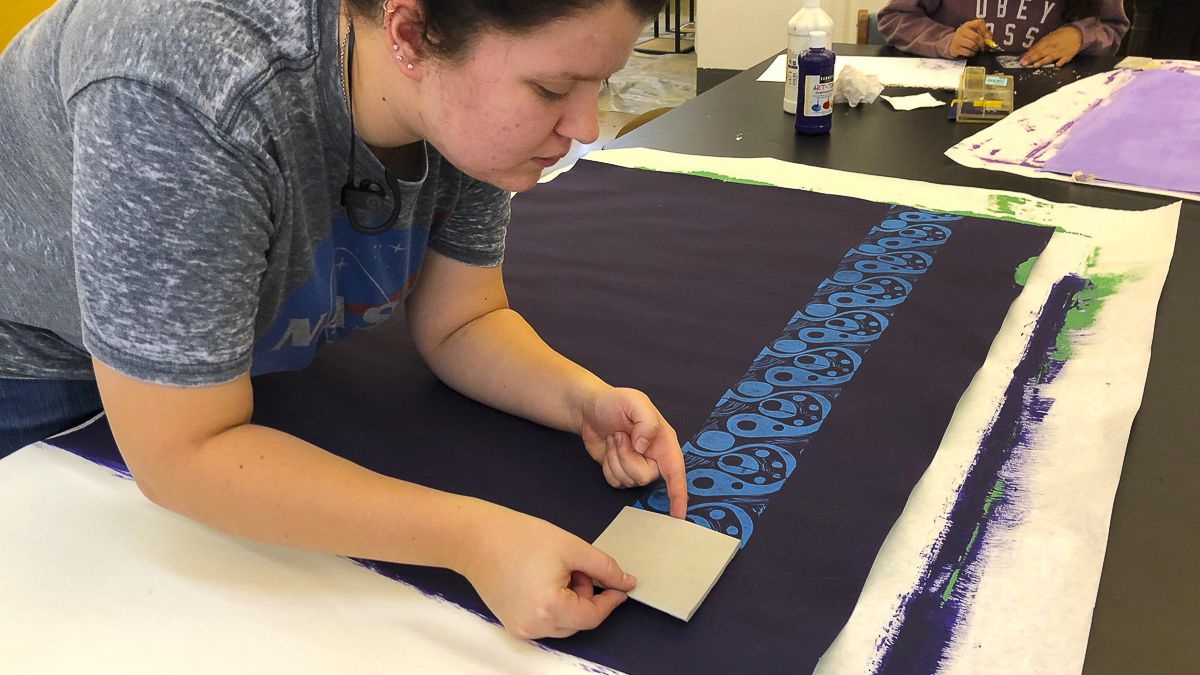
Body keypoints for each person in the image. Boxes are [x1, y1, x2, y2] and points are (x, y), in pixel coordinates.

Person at [0, 0, 689, 640]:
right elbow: (180, 452)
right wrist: (472, 539)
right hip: (39, 365)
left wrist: (579, 400)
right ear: (410, 33)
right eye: (550, 89)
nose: (586, 127)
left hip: (215, 374)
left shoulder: (459, 105)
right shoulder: (189, 89)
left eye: (600, 83)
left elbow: (463, 320)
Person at [877, 0, 1130, 67]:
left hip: (1052, 107)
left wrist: (1080, 35)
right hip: (949, 102)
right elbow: (894, 17)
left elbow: (1112, 27)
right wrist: (946, 40)